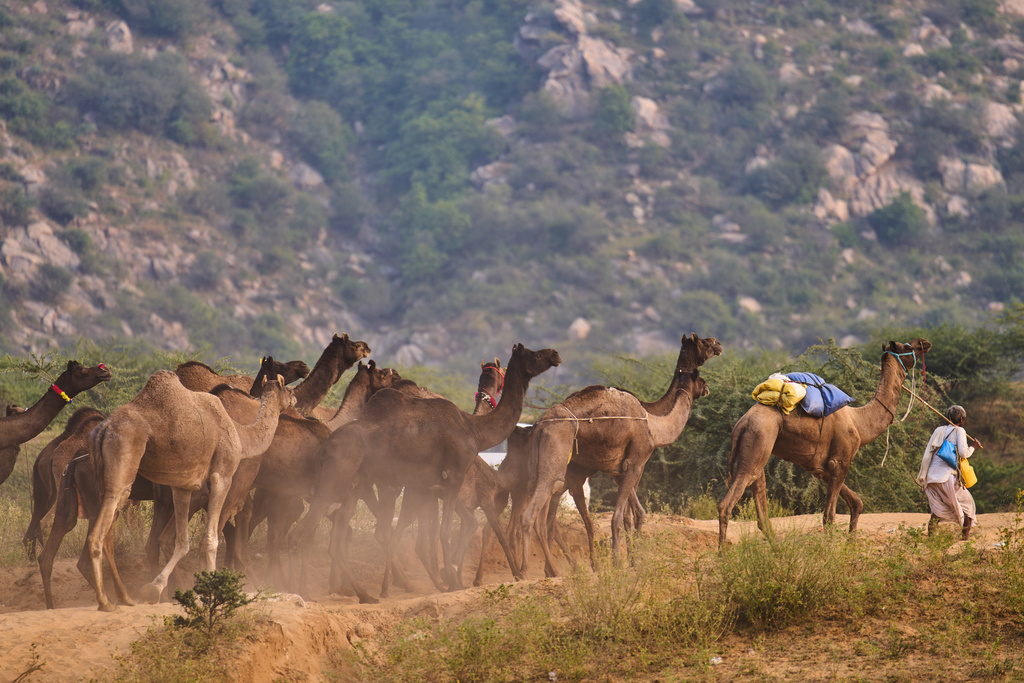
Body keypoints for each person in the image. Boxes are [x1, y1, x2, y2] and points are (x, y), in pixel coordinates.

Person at [916, 405, 982, 540]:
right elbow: (964, 453)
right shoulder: (960, 431)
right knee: (968, 506)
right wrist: (973, 447)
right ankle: (964, 540)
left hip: (931, 478)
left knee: (937, 510)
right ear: (962, 419)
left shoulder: (938, 430)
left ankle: (932, 540)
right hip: (946, 478)